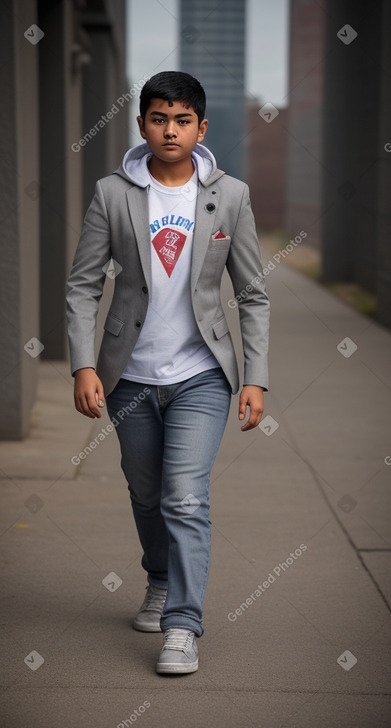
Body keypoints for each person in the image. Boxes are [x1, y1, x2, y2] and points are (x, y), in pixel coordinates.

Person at [66, 70, 270, 675]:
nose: (170, 129)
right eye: (159, 118)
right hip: (129, 377)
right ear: (142, 125)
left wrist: (255, 375)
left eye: (182, 120)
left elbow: (253, 294)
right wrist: (83, 364)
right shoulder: (112, 193)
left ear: (201, 128)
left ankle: (182, 625)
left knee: (185, 496)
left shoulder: (229, 195)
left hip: (202, 374)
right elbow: (81, 287)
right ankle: (158, 577)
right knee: (147, 492)